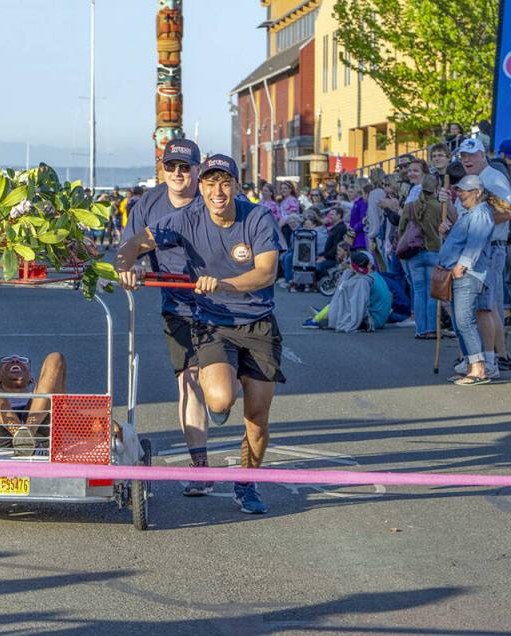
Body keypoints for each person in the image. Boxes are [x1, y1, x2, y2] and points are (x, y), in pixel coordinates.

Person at [116, 154, 284, 515]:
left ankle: (246, 482)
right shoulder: (185, 218)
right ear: (201, 187)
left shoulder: (257, 217)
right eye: (210, 183)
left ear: (237, 186)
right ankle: (219, 397)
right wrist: (125, 266)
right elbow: (135, 243)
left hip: (258, 323)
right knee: (221, 400)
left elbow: (266, 273)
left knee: (257, 419)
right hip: (213, 323)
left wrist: (223, 283)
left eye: (224, 183)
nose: (217, 191)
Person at [120, 138, 213, 496]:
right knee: (189, 381)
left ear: (197, 169)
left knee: (220, 393)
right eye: (171, 166)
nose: (178, 173)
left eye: (185, 167)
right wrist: (132, 266)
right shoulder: (149, 203)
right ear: (163, 168)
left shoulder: (214, 199)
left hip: (224, 304)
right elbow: (129, 248)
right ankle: (200, 465)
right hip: (178, 304)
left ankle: (221, 399)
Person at [442, 139, 511, 376]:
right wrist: (450, 222)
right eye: (463, 156)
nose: (467, 160)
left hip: (490, 248)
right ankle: (480, 358)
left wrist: (479, 223)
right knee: (477, 308)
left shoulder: (493, 178)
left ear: (483, 155)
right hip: (473, 249)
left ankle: (492, 359)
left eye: (472, 155)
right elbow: (462, 218)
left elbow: (508, 211)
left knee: (486, 308)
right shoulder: (468, 182)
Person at [439, 175, 495, 386]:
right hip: (458, 272)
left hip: (467, 273)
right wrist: (447, 232)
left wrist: (461, 266)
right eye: (459, 190)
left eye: (464, 190)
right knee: (459, 321)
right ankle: (471, 366)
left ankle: (478, 369)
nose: (460, 193)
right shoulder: (469, 213)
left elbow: (475, 242)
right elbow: (462, 240)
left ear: (477, 192)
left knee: (464, 320)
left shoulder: (480, 213)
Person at [0, 353, 66, 454]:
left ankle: (27, 435)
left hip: (40, 451)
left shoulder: (43, 397)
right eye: (7, 360)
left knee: (55, 358)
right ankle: (19, 433)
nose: (15, 360)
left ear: (31, 380)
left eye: (22, 361)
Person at [397, 173, 442, 339]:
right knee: (432, 292)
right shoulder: (439, 207)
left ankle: (420, 329)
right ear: (436, 189)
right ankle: (431, 328)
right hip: (434, 250)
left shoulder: (410, 206)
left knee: (418, 291)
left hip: (414, 252)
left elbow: (401, 229)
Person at [304, 252, 392, 332]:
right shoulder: (374, 276)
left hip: (374, 319)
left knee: (339, 305)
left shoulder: (361, 282)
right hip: (381, 316)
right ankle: (324, 315)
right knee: (338, 305)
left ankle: (320, 317)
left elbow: (356, 304)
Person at [315, 207, 348, 283]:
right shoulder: (335, 227)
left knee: (319, 266)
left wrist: (325, 257)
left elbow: (336, 247)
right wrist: (321, 255)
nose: (329, 216)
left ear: (339, 216)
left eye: (332, 214)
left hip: (335, 258)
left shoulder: (341, 228)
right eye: (329, 214)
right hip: (329, 255)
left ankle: (328, 284)